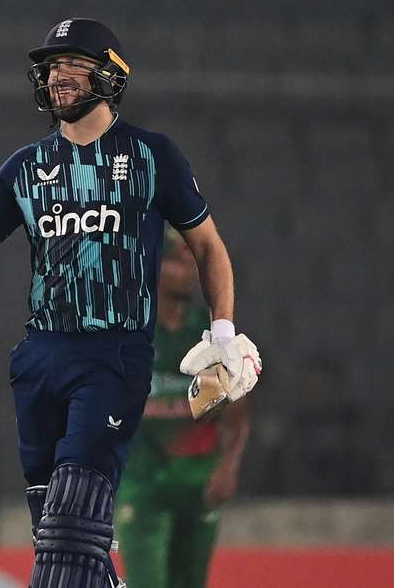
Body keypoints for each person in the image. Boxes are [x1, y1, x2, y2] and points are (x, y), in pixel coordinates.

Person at [0, 18, 261, 588]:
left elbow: (208, 245)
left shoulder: (150, 155)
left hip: (113, 358)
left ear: (110, 76)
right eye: (52, 66)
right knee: (59, 537)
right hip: (39, 359)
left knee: (68, 529)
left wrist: (221, 332)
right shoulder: (24, 166)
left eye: (74, 64)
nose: (58, 76)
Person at [115, 230, 251, 588]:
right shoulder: (129, 335)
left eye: (193, 260)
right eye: (178, 260)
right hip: (141, 484)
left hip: (197, 482)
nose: (190, 268)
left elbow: (237, 416)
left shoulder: (210, 336)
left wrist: (228, 468)